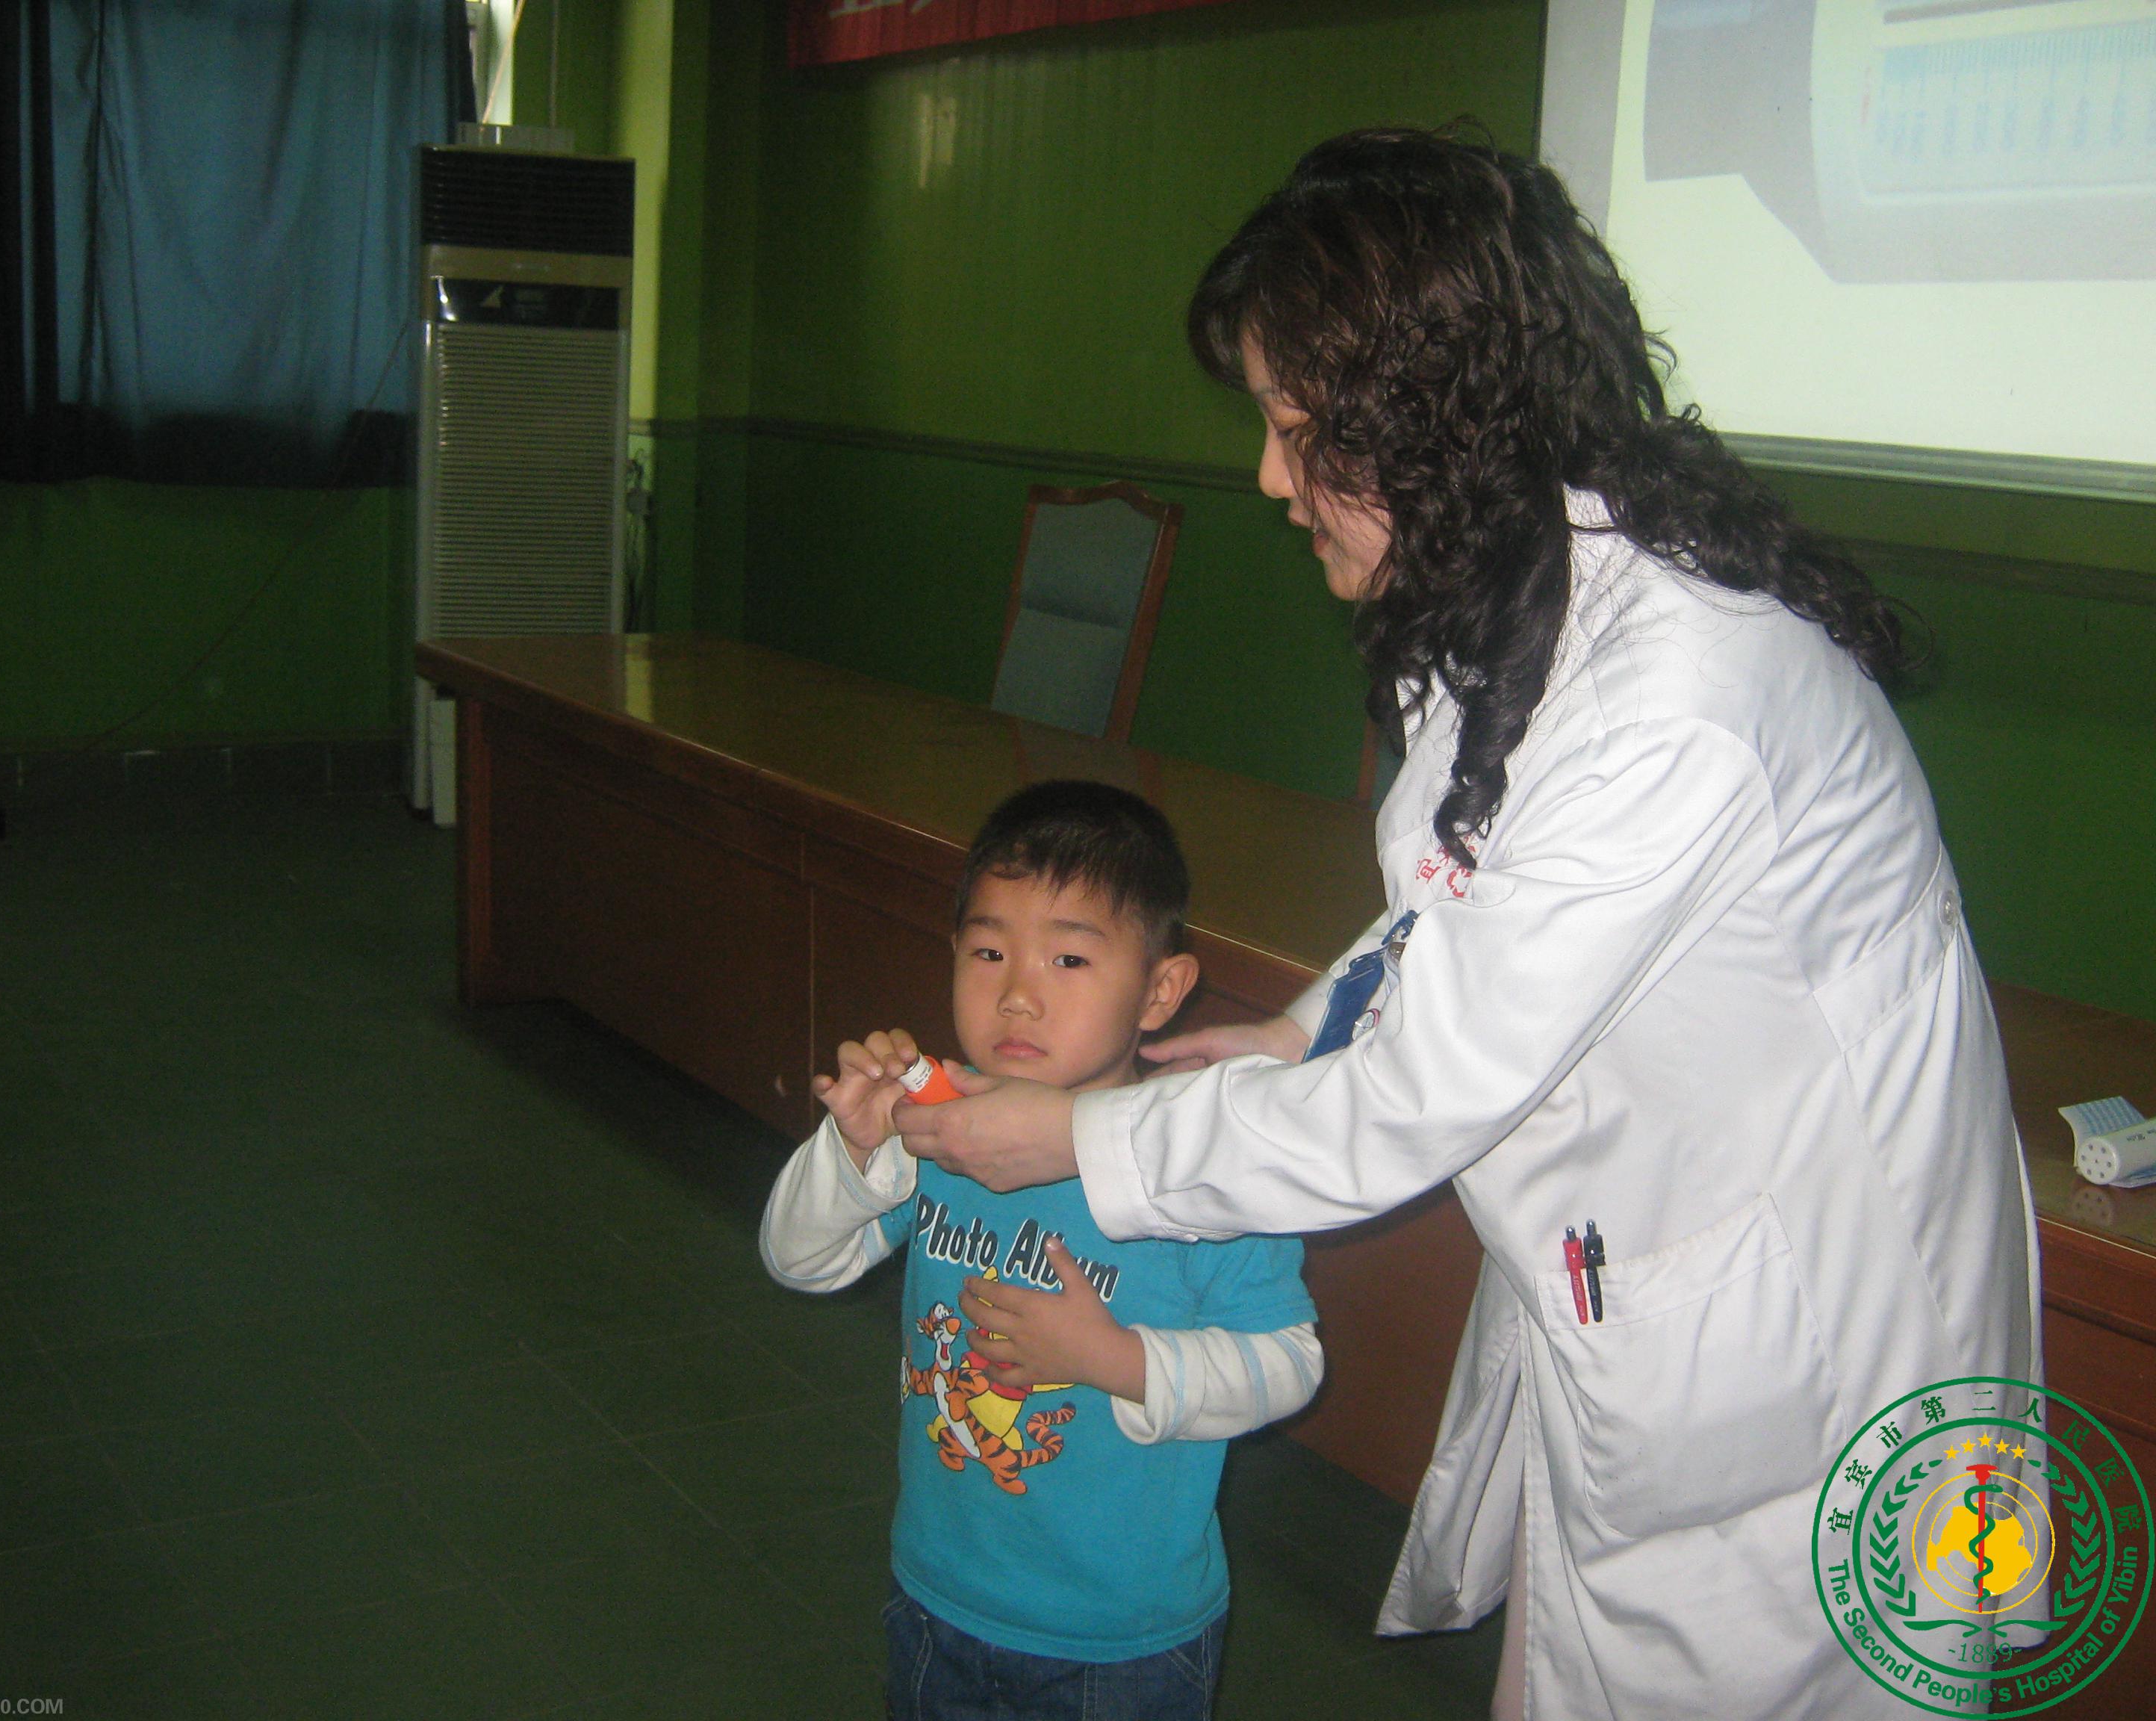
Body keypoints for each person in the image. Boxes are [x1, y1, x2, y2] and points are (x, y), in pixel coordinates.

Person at [892, 130, 2039, 1720]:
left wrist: (1079, 1139)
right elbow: (1459, 905)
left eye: (1301, 432)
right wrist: (1305, 1022)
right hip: (1675, 1303)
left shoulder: (1674, 703)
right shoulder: (1522, 600)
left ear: (1434, 420)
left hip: (1816, 1379)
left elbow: (1412, 1104)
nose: (1269, 479)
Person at [761, 780, 1323, 1721]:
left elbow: (1290, 1364)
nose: (1018, 995)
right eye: (989, 952)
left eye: (1069, 958)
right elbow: (798, 1258)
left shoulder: (1202, 1165)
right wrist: (855, 1151)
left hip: (1121, 1640)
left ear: (1160, 991)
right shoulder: (946, 1125)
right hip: (939, 1594)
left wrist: (1114, 1360)